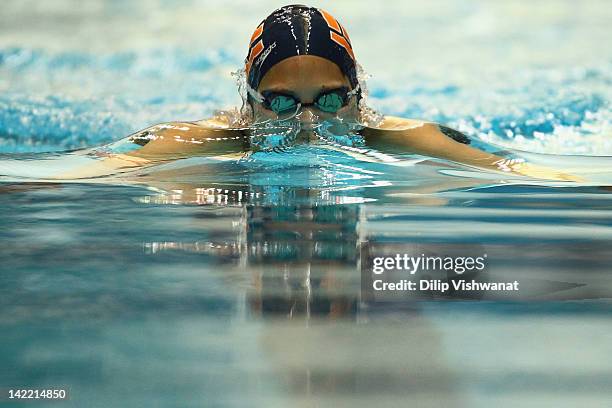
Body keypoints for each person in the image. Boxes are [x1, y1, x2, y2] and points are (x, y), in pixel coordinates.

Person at [60, 4, 580, 182]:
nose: (309, 125)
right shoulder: (206, 139)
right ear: (251, 103)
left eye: (330, 100)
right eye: (283, 103)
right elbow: (88, 170)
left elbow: (522, 169)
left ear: (359, 94)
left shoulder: (396, 136)